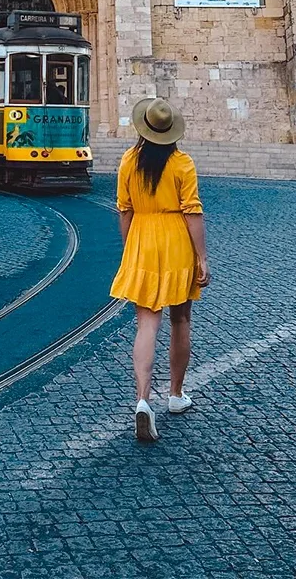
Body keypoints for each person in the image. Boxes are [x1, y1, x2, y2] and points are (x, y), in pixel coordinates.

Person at [110, 98, 210, 443]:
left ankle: (142, 399)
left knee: (146, 323)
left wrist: (131, 248)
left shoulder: (129, 160)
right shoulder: (182, 163)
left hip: (142, 238)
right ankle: (176, 394)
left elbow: (124, 209)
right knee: (180, 320)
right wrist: (202, 257)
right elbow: (192, 211)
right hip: (176, 241)